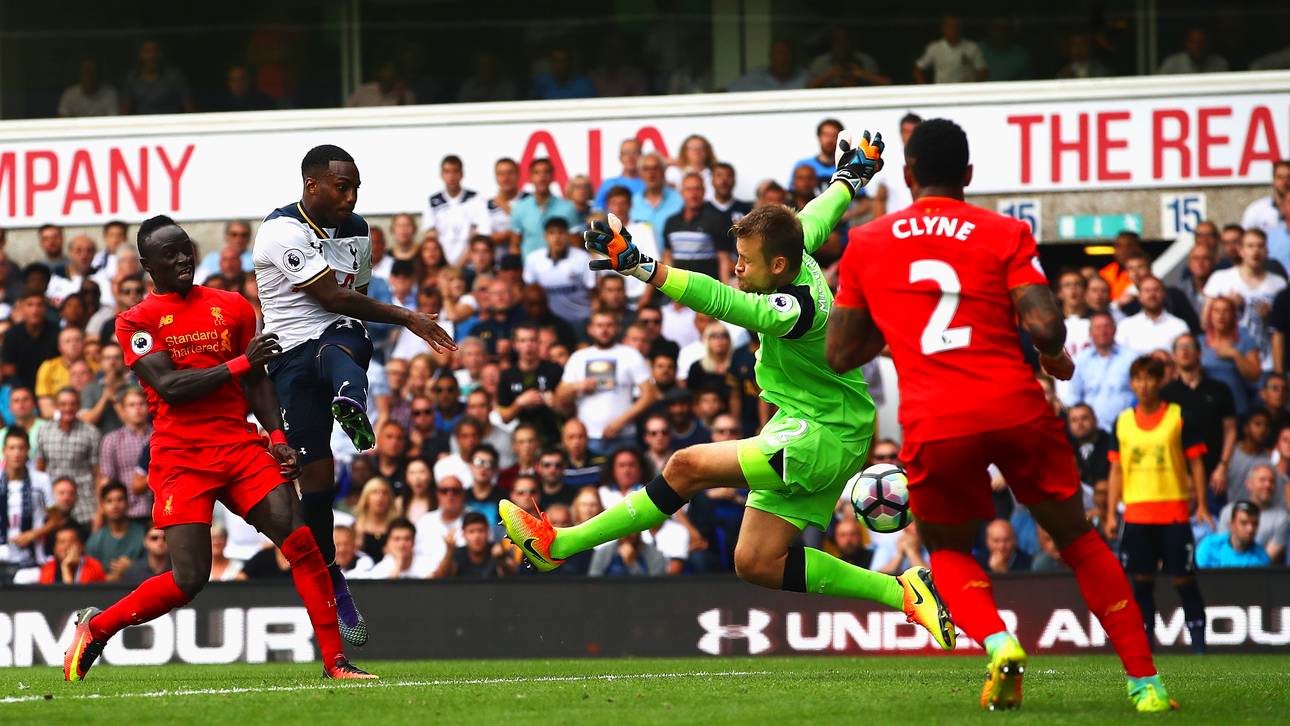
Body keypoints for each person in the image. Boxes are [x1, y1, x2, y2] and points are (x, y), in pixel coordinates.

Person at [503, 127, 956, 648]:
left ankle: (560, 544)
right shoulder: (794, 245)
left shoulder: (796, 309)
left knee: (686, 466)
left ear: (778, 268)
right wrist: (849, 178)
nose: (737, 268)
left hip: (824, 435)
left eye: (746, 262)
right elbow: (820, 212)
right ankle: (904, 592)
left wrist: (644, 267)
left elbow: (726, 303)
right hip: (812, 423)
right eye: (737, 257)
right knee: (757, 562)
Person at [828, 119, 1171, 712]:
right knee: (1079, 540)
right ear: (967, 175)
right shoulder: (1004, 231)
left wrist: (899, 329)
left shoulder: (867, 243)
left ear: (907, 177)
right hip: (1014, 406)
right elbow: (1044, 323)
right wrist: (1052, 355)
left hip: (937, 421)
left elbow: (840, 352)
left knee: (950, 549)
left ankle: (999, 641)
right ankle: (1145, 684)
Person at [63, 215, 375, 682]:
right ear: (149, 265)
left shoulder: (232, 306)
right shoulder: (136, 321)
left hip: (238, 446)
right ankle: (98, 628)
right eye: (169, 253)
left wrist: (278, 438)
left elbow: (257, 378)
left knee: (302, 542)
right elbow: (169, 386)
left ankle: (335, 663)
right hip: (180, 458)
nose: (182, 257)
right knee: (189, 579)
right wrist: (238, 364)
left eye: (185, 248)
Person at [253, 144, 455, 647]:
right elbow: (332, 293)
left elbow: (353, 301)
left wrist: (391, 316)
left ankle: (351, 401)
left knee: (341, 341)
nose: (352, 197)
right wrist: (409, 316)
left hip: (339, 338)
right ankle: (332, 578)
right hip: (288, 356)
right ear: (312, 185)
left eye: (356, 188)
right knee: (316, 482)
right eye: (343, 187)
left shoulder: (359, 230)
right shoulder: (281, 231)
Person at [1105, 356, 1210, 656]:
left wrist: (1201, 503)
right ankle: (1144, 648)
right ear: (1132, 383)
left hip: (1173, 512)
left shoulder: (1178, 416)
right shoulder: (1123, 421)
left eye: (1150, 378)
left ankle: (1200, 648)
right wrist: (1111, 512)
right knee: (1141, 585)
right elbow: (1116, 469)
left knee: (1184, 580)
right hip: (1137, 513)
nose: (1144, 385)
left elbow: (1196, 463)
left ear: (1160, 381)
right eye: (1138, 379)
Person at [556, 312, 659, 455]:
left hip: (624, 435)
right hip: (588, 437)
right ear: (590, 329)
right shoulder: (578, 357)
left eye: (609, 325)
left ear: (617, 328)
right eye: (599, 325)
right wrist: (578, 386)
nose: (604, 330)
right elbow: (560, 396)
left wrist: (621, 422)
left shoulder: (630, 355)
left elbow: (650, 395)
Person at [1162, 333, 1237, 508]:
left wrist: (1223, 466)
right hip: (1177, 475)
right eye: (1180, 348)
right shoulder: (1166, 394)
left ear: (1199, 353)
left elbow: (1230, 429)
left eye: (1190, 347)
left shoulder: (1220, 389)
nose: (1185, 351)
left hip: (1214, 473)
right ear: (1174, 355)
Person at [34, 388, 101, 525]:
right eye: (63, 404)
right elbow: (40, 468)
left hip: (85, 501)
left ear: (78, 406)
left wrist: (100, 509)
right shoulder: (44, 431)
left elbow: (97, 473)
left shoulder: (91, 432)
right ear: (56, 406)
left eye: (72, 404)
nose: (68, 408)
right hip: (53, 500)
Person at [1062, 312, 1136, 432]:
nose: (1102, 331)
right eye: (1098, 327)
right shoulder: (1081, 360)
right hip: (1092, 433)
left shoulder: (1131, 358)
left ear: (1115, 329)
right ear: (1090, 333)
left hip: (1126, 429)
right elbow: (1074, 398)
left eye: (1106, 326)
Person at [0, 427, 54, 582]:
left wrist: (33, 534)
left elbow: (56, 519)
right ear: (4, 451)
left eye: (21, 448)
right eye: (12, 448)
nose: (16, 453)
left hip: (30, 559)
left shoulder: (41, 480)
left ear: (28, 450)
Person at [523, 217, 595, 328]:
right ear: (545, 237)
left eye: (561, 233)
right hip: (547, 322)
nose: (557, 238)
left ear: (567, 236)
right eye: (552, 233)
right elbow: (530, 292)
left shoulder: (583, 258)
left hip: (579, 319)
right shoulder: (533, 259)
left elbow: (593, 292)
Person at [420, 155, 489, 267]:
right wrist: (446, 266)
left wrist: (459, 266)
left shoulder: (475, 198)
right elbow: (430, 236)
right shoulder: (433, 201)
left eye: (455, 171)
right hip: (441, 266)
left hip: (469, 265)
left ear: (462, 174)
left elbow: (478, 236)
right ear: (441, 175)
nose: (451, 176)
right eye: (447, 172)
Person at [662, 172, 733, 281]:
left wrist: (725, 291)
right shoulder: (671, 222)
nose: (693, 194)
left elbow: (724, 259)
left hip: (707, 290)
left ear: (704, 191)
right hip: (679, 290)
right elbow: (667, 257)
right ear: (681, 193)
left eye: (697, 189)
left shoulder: (717, 220)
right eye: (689, 189)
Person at [1199, 296, 1261, 415]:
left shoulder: (1244, 339)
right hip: (1207, 408)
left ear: (1233, 315)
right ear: (1210, 315)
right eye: (1216, 311)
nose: (1221, 315)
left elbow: (1255, 374)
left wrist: (1235, 354)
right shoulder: (1199, 342)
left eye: (1226, 311)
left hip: (1237, 406)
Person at [1217, 465, 1287, 563]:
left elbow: (1266, 560)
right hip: (1225, 569)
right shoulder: (1229, 511)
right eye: (1262, 480)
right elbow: (1222, 547)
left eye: (1272, 481)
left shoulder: (1282, 518)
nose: (1268, 485)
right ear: (1249, 484)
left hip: (1260, 574)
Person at [510, 158, 578, 257]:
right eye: (537, 172)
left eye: (546, 172)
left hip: (562, 269)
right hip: (530, 269)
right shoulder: (520, 208)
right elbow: (515, 245)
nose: (542, 176)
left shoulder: (568, 208)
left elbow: (576, 245)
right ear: (530, 177)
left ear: (552, 176)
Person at [85, 481, 146, 581]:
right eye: (109, 501)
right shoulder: (95, 540)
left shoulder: (143, 534)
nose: (115, 505)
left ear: (127, 503)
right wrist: (107, 578)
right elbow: (88, 577)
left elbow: (154, 570)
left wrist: (133, 568)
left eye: (120, 499)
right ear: (102, 506)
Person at [1114, 277, 1190, 356]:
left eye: (1156, 290)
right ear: (1139, 296)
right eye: (1147, 291)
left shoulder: (1179, 326)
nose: (1152, 294)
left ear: (1164, 295)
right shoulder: (1125, 326)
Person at [914, 16, 987, 84]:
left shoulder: (972, 47)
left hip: (965, 92)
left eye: (956, 26)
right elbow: (918, 68)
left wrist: (974, 88)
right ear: (944, 29)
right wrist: (924, 88)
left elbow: (982, 70)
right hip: (942, 92)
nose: (954, 30)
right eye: (950, 27)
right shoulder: (935, 48)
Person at [1196, 500, 1270, 567]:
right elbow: (1197, 576)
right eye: (1244, 523)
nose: (1250, 529)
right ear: (1232, 524)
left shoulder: (1261, 558)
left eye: (1254, 524)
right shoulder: (1209, 545)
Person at [359, 518, 433, 578]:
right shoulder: (382, 568)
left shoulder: (426, 564)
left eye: (407, 539)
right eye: (397, 539)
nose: (402, 545)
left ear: (413, 542)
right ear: (388, 542)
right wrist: (399, 563)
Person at [729, 39, 808, 92]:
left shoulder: (805, 77)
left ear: (793, 56)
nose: (782, 58)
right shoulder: (755, 76)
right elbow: (729, 92)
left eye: (786, 53)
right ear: (771, 56)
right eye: (778, 53)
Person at [40, 525, 105, 584]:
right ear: (54, 549)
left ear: (81, 547)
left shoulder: (93, 566)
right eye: (62, 542)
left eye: (72, 541)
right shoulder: (47, 569)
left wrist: (66, 567)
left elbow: (75, 596)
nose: (67, 546)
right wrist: (65, 566)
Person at [1241, 160, 1290, 238]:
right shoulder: (1257, 210)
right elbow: (1245, 238)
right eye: (1280, 177)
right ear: (1273, 180)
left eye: (1289, 177)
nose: (1285, 182)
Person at [594, 139, 646, 210]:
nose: (630, 157)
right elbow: (597, 212)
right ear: (620, 157)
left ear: (641, 156)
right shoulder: (608, 184)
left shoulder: (650, 185)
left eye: (634, 153)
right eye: (626, 153)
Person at [1157, 28, 1229, 75]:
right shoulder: (1172, 63)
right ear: (1186, 43)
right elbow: (1158, 87)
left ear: (1208, 43)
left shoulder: (1219, 63)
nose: (1197, 46)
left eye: (1201, 42)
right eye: (1193, 42)